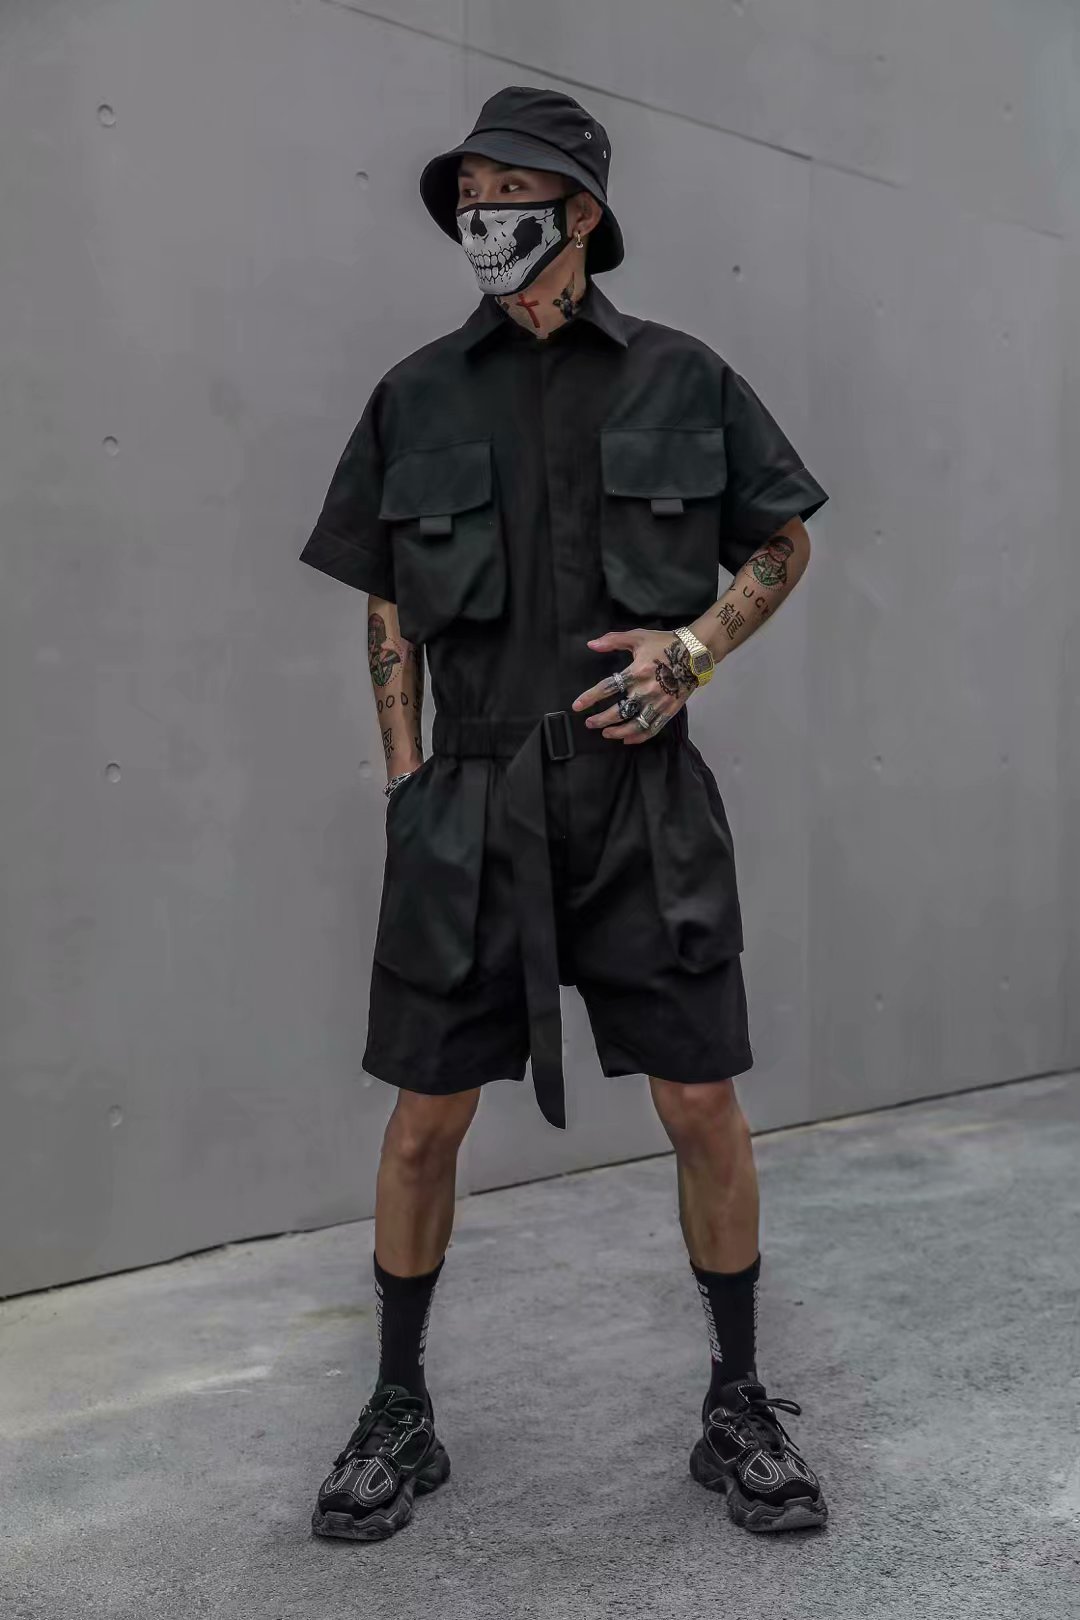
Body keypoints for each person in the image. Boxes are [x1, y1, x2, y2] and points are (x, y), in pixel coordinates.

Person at [299, 85, 830, 1542]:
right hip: (468, 807)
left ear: (581, 212)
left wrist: (694, 653)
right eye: (467, 195)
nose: (482, 217)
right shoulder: (415, 394)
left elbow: (783, 540)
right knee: (423, 1120)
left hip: (643, 804)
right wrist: (406, 782)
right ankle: (397, 1408)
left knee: (702, 1102)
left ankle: (738, 1402)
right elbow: (387, 604)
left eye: (509, 193)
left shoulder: (683, 376)